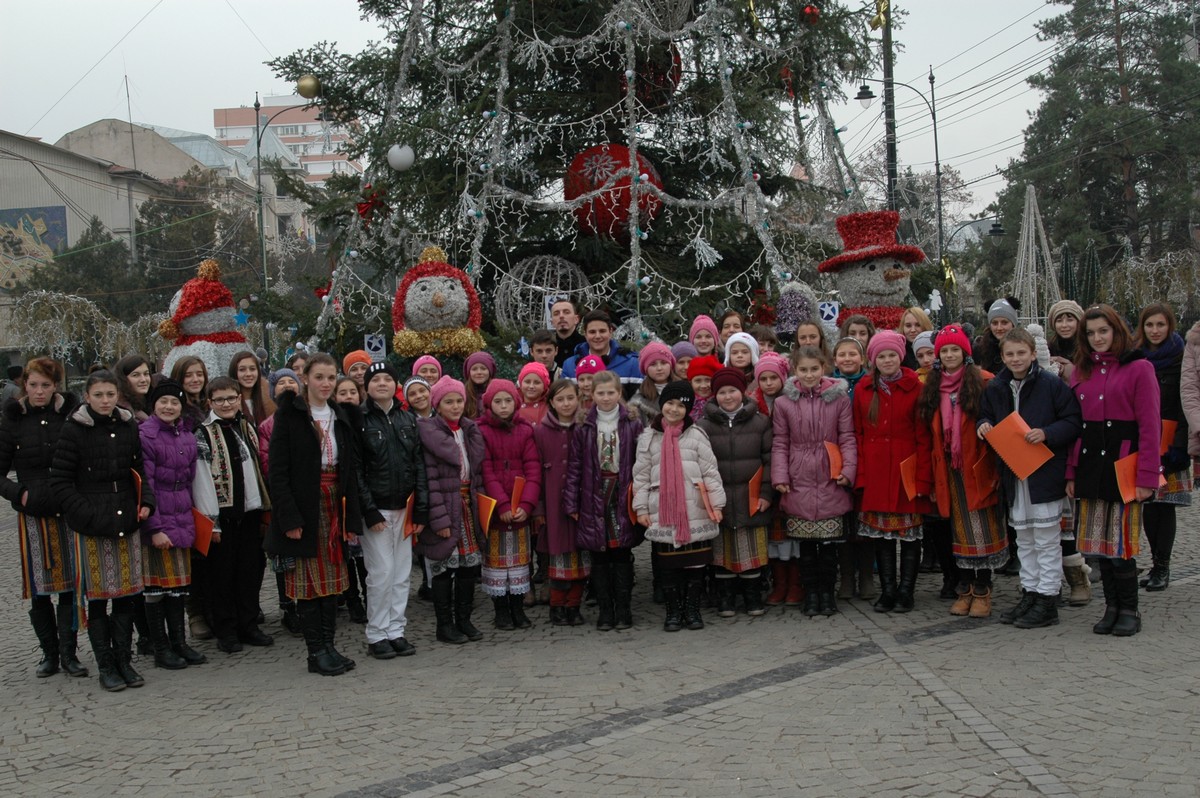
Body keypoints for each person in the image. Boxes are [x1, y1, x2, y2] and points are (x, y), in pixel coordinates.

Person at [51, 370, 155, 692]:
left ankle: (124, 661)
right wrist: (86, 513)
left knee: (126, 593)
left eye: (110, 394)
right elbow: (61, 481)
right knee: (97, 598)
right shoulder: (73, 430)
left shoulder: (127, 424)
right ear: (87, 397)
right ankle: (106, 666)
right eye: (99, 395)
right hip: (92, 522)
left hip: (126, 516)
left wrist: (146, 500)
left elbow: (138, 468)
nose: (105, 401)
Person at [264, 353, 363, 675]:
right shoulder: (290, 415)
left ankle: (330, 646)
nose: (326, 383)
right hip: (305, 507)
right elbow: (278, 472)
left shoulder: (340, 414)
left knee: (334, 582)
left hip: (335, 502)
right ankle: (315, 651)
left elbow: (350, 470)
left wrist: (351, 518)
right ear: (305, 378)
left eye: (331, 378)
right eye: (319, 377)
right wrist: (289, 518)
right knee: (309, 584)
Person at [1067, 304, 1160, 637]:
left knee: (1121, 546)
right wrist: (1071, 474)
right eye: (1090, 334)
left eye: (1103, 331)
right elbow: (1075, 428)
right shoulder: (1080, 370)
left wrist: (1148, 477)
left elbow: (1150, 427)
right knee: (1099, 547)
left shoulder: (1140, 368)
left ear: (1116, 330)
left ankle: (1129, 609)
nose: (1097, 339)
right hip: (1091, 464)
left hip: (1125, 464)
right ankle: (1110, 607)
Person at [979, 329, 1081, 628]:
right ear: (1002, 357)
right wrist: (983, 425)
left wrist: (1047, 433)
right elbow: (986, 416)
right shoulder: (997, 387)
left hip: (1044, 471)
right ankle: (1031, 591)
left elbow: (1073, 420)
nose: (1015, 359)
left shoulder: (1050, 384)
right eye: (1009, 354)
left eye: (1020, 353)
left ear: (1032, 354)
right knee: (1023, 539)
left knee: (1046, 540)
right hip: (1014, 472)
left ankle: (1048, 598)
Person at [0, 358, 87, 678]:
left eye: (46, 386)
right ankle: (49, 654)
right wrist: (18, 493)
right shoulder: (12, 419)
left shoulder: (70, 415)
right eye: (33, 385)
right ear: (25, 385)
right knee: (39, 587)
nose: (39, 392)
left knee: (69, 587)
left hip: (67, 508)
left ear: (56, 387)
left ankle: (69, 653)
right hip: (33, 511)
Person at [918, 326, 1007, 618]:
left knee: (981, 529)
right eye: (944, 350)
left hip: (976, 465)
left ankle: (983, 589)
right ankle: (964, 587)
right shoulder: (933, 385)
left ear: (965, 352)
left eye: (955, 349)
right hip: (948, 469)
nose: (950, 355)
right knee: (958, 529)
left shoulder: (984, 381)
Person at [633, 380, 725, 632]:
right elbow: (640, 475)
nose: (674, 410)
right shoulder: (649, 438)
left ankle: (692, 610)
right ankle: (674, 611)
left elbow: (710, 472)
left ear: (688, 410)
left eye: (681, 406)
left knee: (695, 566)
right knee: (669, 566)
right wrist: (641, 508)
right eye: (670, 404)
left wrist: (717, 504)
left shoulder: (697, 435)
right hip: (662, 509)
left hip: (695, 509)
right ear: (662, 405)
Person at [771, 346, 856, 616]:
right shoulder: (784, 402)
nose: (809, 375)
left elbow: (848, 437)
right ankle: (811, 594)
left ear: (824, 368)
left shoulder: (839, 399)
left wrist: (848, 470)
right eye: (803, 369)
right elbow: (780, 442)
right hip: (799, 476)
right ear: (795, 370)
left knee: (829, 545)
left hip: (830, 473)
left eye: (814, 369)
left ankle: (827, 594)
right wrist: (780, 475)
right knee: (806, 545)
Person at [853, 330, 932, 613]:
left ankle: (906, 591)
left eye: (892, 355)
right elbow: (858, 435)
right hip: (875, 471)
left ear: (900, 357)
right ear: (873, 360)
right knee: (881, 536)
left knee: (909, 536)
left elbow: (924, 437)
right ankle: (887, 590)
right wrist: (860, 475)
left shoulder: (916, 388)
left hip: (905, 471)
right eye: (881, 356)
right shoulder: (863, 389)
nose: (887, 361)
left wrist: (923, 477)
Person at [193, 376, 272, 653]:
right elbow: (202, 479)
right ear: (210, 402)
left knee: (249, 571)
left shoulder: (246, 426)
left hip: (250, 511)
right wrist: (211, 521)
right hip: (222, 516)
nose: (226, 404)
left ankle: (248, 624)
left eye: (231, 398)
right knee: (221, 576)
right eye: (220, 399)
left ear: (239, 398)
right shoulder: (203, 433)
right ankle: (225, 629)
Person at [355, 362, 428, 659]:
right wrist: (368, 510)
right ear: (367, 386)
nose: (382, 383)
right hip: (377, 511)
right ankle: (377, 632)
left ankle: (396, 629)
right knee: (381, 572)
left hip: (405, 508)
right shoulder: (360, 420)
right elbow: (357, 470)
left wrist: (421, 508)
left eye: (387, 379)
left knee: (401, 574)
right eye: (376, 379)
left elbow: (419, 465)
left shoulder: (407, 419)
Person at [564, 370, 644, 630]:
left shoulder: (632, 423)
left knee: (621, 552)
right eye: (601, 393)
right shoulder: (584, 426)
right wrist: (572, 503)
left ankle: (624, 609)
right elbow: (575, 466)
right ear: (592, 394)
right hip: (593, 494)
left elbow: (640, 462)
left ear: (620, 394)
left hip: (622, 492)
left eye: (611, 393)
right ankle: (605, 611)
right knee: (599, 554)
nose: (606, 398)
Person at [138, 379, 207, 669]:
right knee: (157, 589)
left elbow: (192, 481)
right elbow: (146, 485)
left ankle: (180, 643)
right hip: (158, 518)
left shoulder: (188, 436)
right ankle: (161, 647)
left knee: (178, 586)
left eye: (174, 402)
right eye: (163, 402)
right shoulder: (146, 435)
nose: (169, 407)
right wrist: (154, 528)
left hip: (181, 517)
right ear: (154, 405)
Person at [698, 367, 775, 617]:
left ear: (742, 392)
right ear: (715, 395)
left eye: (732, 391)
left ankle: (752, 597)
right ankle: (726, 598)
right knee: (722, 553)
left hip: (750, 497)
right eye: (722, 392)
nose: (728, 397)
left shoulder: (761, 422)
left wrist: (765, 494)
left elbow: (769, 460)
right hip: (718, 499)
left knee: (750, 551)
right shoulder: (704, 426)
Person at [417, 376, 486, 644]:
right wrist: (439, 519)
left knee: (469, 568)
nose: (455, 406)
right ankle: (444, 625)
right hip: (445, 506)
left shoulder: (468, 430)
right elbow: (430, 481)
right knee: (445, 569)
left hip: (468, 504)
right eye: (449, 401)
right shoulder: (430, 433)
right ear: (438, 403)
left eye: (459, 400)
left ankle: (464, 619)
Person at [478, 379, 543, 630]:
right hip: (497, 510)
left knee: (519, 561)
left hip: (520, 510)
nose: (503, 406)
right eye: (498, 401)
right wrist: (502, 505)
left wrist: (526, 504)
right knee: (496, 562)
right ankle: (501, 611)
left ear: (515, 402)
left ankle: (517, 608)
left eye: (507, 400)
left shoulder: (525, 430)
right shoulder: (481, 431)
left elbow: (533, 469)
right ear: (489, 404)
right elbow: (486, 472)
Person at [1134, 302, 1189, 592]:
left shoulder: (1182, 358)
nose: (1155, 330)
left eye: (1160, 325)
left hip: (1170, 439)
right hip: (1144, 439)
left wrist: (1181, 444)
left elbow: (1186, 403)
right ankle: (1154, 562)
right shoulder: (1135, 357)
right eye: (1150, 325)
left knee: (1164, 506)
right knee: (1147, 505)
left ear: (1170, 327)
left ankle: (1162, 567)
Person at [534, 380, 589, 625]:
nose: (566, 403)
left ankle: (574, 606)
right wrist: (539, 509)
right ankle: (557, 606)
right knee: (558, 557)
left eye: (570, 398)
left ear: (578, 398)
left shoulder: (585, 427)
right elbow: (534, 473)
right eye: (560, 399)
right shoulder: (541, 431)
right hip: (553, 503)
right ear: (552, 403)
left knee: (581, 557)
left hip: (581, 502)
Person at [561, 311, 642, 397]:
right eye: (592, 332)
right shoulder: (570, 365)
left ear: (610, 332)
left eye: (602, 331)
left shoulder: (631, 363)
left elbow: (638, 401)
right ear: (585, 334)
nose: (598, 336)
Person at [629, 341, 675, 423]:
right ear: (646, 369)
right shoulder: (639, 399)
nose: (659, 368)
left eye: (664, 363)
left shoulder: (683, 390)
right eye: (653, 364)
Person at [229, 350, 276, 431]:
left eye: (252, 369)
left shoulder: (269, 398)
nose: (248, 374)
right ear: (234, 372)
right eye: (242, 370)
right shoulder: (228, 403)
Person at [975, 298, 1019, 374]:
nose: (999, 328)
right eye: (995, 323)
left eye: (1004, 322)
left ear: (1013, 324)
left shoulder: (1024, 346)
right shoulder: (979, 349)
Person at [1046, 299, 1084, 380]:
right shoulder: (1048, 349)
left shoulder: (1087, 347)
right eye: (1059, 321)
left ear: (1078, 322)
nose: (1064, 325)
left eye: (1070, 320)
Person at [170, 356, 209, 432]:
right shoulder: (177, 412)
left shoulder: (211, 405)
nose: (195, 379)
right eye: (188, 376)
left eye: (199, 374)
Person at [113, 354, 153, 422]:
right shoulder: (119, 412)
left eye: (146, 374)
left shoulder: (155, 403)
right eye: (135, 375)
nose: (143, 380)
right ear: (123, 379)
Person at [550, 298, 585, 369]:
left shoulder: (586, 345)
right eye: (556, 314)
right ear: (552, 322)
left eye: (566, 312)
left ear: (576, 319)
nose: (561, 316)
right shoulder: (547, 347)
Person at [687, 354, 721, 421]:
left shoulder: (721, 402)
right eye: (698, 381)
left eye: (708, 380)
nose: (703, 386)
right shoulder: (687, 403)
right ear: (691, 383)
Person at [463, 351, 496, 420]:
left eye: (483, 369)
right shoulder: (463, 394)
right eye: (474, 369)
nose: (479, 372)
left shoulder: (497, 392)